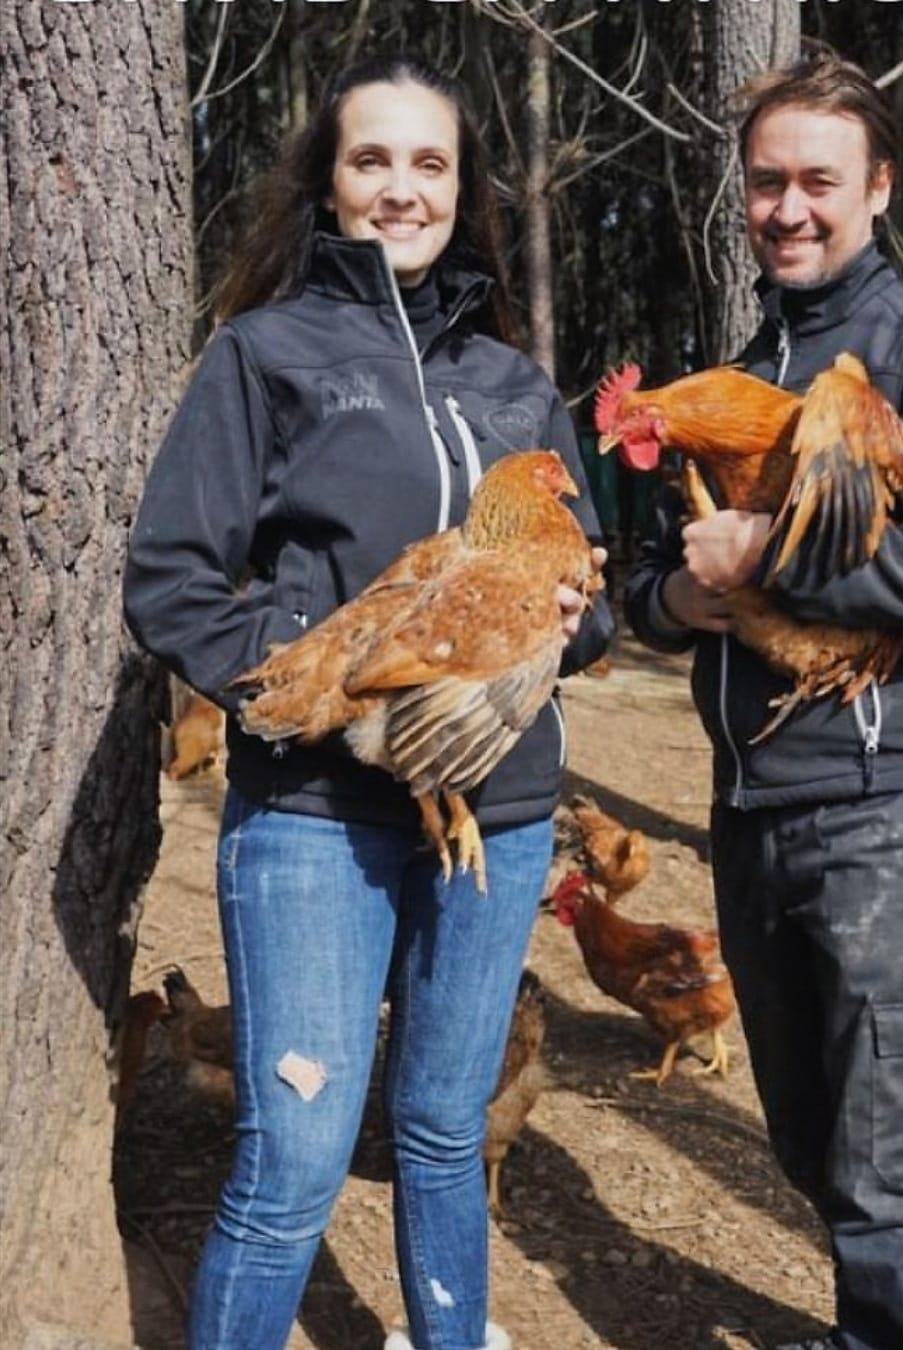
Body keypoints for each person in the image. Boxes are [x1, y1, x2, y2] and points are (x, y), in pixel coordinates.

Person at [123, 56, 612, 1350]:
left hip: (496, 815)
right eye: (372, 160)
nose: (403, 187)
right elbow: (173, 578)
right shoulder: (266, 355)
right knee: (296, 1152)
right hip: (316, 816)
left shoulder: (516, 383)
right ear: (328, 186)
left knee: (450, 1129)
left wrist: (573, 619)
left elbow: (597, 597)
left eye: (431, 163)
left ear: (465, 191)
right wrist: (316, 684)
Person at [626, 55, 903, 1350]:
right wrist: (675, 602)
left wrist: (773, 557)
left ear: (879, 187)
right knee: (808, 1132)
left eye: (818, 181)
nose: (789, 207)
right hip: (751, 812)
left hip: (882, 815)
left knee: (887, 1161)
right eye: (767, 182)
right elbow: (662, 570)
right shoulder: (743, 371)